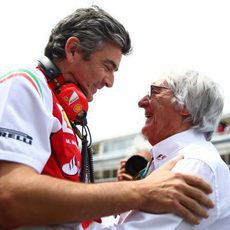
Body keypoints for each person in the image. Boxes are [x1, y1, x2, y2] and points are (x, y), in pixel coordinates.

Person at [0, 6, 214, 229]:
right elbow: (9, 195)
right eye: (107, 67)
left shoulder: (62, 107)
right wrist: (139, 192)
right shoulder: (24, 85)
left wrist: (123, 196)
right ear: (73, 50)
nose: (110, 82)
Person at [90, 70, 230, 229]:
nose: (141, 102)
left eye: (153, 92)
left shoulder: (194, 165)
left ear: (185, 106)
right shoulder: (174, 160)